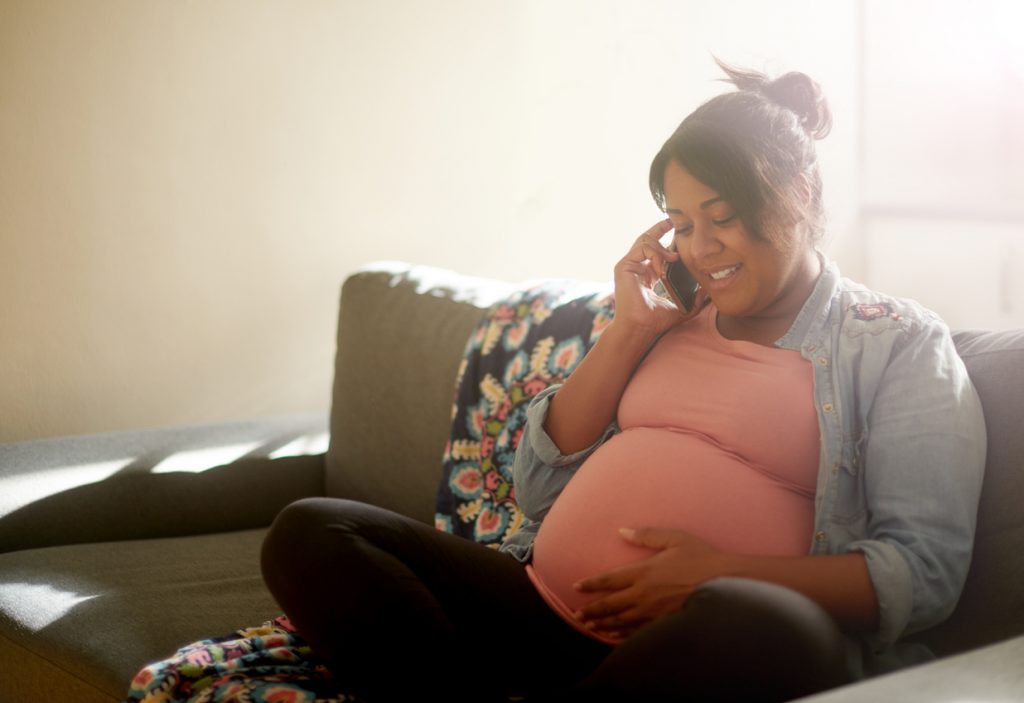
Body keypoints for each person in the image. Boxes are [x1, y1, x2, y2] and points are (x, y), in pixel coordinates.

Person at [261, 61, 986, 702]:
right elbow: (538, 487)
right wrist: (631, 331)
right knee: (315, 530)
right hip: (541, 611)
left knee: (767, 625)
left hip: (704, 641)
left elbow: (921, 573)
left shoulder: (896, 343)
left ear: (797, 193)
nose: (699, 250)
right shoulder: (670, 317)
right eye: (679, 223)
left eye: (721, 219)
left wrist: (711, 574)